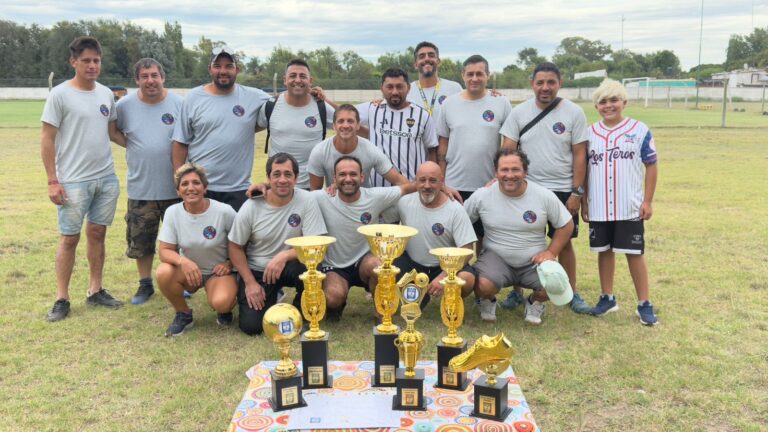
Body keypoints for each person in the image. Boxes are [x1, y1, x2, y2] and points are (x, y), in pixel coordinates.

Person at [41, 36, 126, 322]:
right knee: (69, 239)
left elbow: (113, 133)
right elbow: (47, 138)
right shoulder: (60, 95)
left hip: (106, 178)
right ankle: (62, 298)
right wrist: (53, 181)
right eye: (86, 60)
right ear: (73, 62)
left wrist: (148, 144)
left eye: (96, 60)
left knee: (98, 235)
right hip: (73, 181)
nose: (92, 65)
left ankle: (95, 290)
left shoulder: (105, 94)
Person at [499, 62, 591, 314]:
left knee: (565, 242)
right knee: (520, 238)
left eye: (551, 82)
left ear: (559, 84)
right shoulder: (519, 113)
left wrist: (577, 193)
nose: (545, 87)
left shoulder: (574, 112)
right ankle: (516, 293)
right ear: (532, 84)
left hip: (562, 189)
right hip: (527, 189)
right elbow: (508, 150)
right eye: (540, 82)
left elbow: (580, 155)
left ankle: (571, 291)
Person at [465, 149, 574, 324]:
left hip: (533, 262)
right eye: (504, 170)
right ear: (496, 172)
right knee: (482, 285)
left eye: (515, 169)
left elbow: (566, 224)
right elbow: (461, 220)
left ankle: (534, 301)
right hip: (496, 258)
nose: (510, 175)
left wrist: (551, 252)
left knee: (554, 286)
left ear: (525, 172)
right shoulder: (482, 196)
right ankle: (487, 299)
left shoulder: (543, 195)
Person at [582, 79, 659, 326]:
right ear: (596, 106)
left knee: (634, 253)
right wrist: (584, 202)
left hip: (629, 205)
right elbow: (583, 170)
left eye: (614, 100)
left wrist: (647, 200)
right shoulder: (589, 133)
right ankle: (607, 298)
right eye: (603, 101)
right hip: (599, 205)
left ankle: (644, 303)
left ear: (624, 102)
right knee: (604, 251)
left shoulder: (639, 129)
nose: (609, 105)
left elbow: (652, 165)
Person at [228, 153, 327, 335]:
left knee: (312, 266)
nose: (282, 180)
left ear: (296, 178)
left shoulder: (307, 200)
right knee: (252, 327)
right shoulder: (251, 206)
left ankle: (300, 309)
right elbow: (234, 246)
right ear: (268, 178)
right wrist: (250, 282)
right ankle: (268, 295)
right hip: (259, 269)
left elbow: (316, 243)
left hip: (290, 265)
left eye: (288, 174)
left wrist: (284, 256)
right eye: (277, 174)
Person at [312, 156, 416, 320]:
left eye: (353, 174)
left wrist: (442, 187)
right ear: (334, 178)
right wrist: (263, 186)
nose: (348, 179)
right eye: (342, 175)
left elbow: (409, 188)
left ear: (362, 177)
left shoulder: (375, 196)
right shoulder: (321, 197)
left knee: (378, 266)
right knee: (332, 297)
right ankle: (337, 306)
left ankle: (381, 312)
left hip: (364, 261)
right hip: (334, 265)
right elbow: (290, 191)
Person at [115, 58, 183, 305]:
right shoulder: (124, 105)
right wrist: (133, 145)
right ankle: (145, 284)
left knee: (179, 240)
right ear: (137, 80)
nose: (150, 80)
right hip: (141, 186)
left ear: (163, 77)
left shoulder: (179, 103)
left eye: (154, 75)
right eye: (144, 76)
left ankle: (181, 280)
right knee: (141, 240)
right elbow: (113, 130)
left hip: (176, 187)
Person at [172, 46, 270, 211]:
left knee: (237, 237)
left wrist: (313, 94)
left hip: (238, 189)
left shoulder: (254, 96)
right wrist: (180, 179)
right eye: (217, 66)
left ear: (237, 69)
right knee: (199, 237)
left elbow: (283, 103)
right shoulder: (193, 98)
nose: (223, 71)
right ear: (210, 69)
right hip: (202, 188)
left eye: (228, 66)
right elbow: (180, 143)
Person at [155, 163, 238, 336]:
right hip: (189, 272)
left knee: (222, 302)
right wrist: (182, 261)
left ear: (205, 188)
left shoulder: (224, 212)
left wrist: (229, 263)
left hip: (218, 272)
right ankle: (183, 314)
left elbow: (242, 242)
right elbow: (164, 250)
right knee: (163, 272)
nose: (190, 188)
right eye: (184, 184)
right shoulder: (173, 212)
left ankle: (223, 310)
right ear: (178, 191)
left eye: (196, 183)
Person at [393, 162, 476, 307]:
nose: (427, 185)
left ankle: (451, 301)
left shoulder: (455, 209)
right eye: (422, 180)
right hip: (413, 264)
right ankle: (420, 296)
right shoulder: (403, 203)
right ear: (415, 181)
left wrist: (444, 275)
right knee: (391, 271)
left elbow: (468, 250)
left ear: (442, 182)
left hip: (445, 265)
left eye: (433, 180)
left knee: (467, 278)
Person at [436, 54, 512, 207]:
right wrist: (442, 181)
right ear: (463, 76)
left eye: (480, 74)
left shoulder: (501, 102)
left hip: (490, 185)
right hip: (454, 185)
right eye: (470, 74)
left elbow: (511, 142)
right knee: (455, 230)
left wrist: (500, 175)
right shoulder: (448, 104)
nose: (475, 78)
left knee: (487, 231)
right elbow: (443, 144)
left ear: (488, 76)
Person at [257, 59, 335, 190]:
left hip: (311, 187)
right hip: (278, 185)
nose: (297, 80)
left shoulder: (321, 106)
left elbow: (348, 121)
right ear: (284, 80)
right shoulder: (270, 106)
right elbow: (251, 127)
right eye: (292, 76)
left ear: (310, 81)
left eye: (303, 76)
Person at [356, 67, 438, 186]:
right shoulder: (373, 108)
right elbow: (341, 114)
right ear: (381, 88)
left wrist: (432, 180)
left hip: (412, 188)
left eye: (399, 87)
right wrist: (323, 98)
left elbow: (432, 150)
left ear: (408, 88)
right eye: (389, 87)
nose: (394, 92)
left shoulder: (422, 115)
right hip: (379, 190)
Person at [307, 104, 408, 189]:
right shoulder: (319, 151)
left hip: (365, 204)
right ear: (334, 126)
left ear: (358, 125)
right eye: (341, 121)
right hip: (333, 202)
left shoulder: (370, 150)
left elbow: (399, 181)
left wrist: (420, 187)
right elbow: (315, 191)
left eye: (350, 121)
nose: (346, 125)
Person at [406, 41, 463, 121]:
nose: (427, 59)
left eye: (431, 55)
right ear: (415, 65)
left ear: (438, 62)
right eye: (422, 56)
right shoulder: (406, 91)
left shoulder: (454, 88)